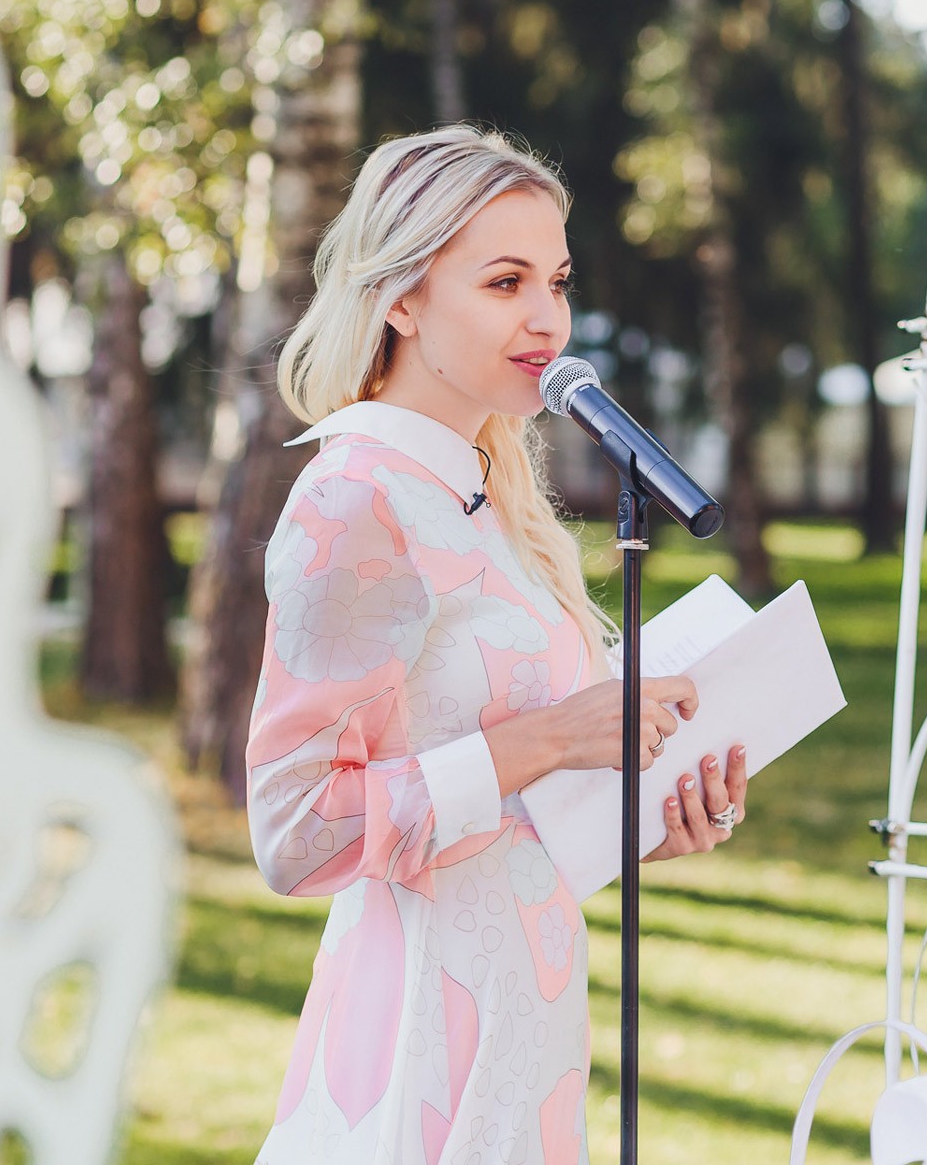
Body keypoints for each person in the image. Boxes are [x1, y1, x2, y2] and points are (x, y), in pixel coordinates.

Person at [247, 124, 750, 1163]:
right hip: (422, 1044)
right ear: (400, 296)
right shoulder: (355, 498)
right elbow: (296, 830)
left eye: (557, 283)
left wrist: (649, 816)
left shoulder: (485, 494)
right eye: (505, 281)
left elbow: (502, 810)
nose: (547, 320)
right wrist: (555, 738)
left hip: (531, 1027)